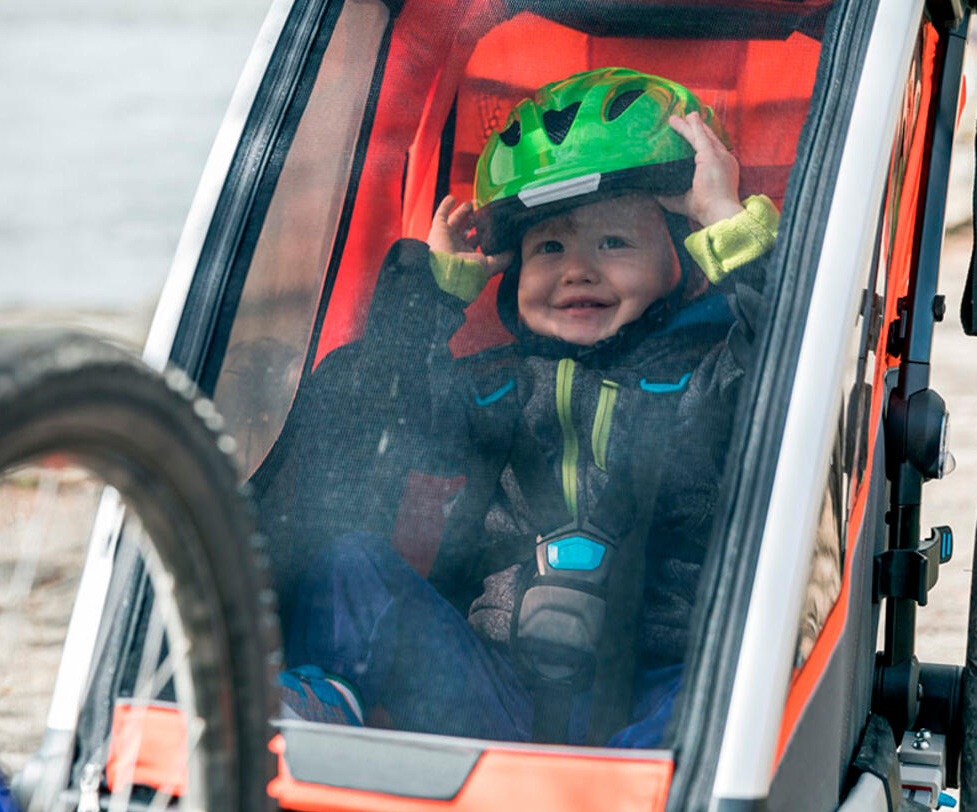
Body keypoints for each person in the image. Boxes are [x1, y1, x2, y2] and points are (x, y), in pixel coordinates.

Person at [274, 68, 779, 746]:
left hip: (657, 686)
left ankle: (644, 790)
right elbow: (372, 414)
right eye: (550, 247)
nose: (578, 270)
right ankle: (324, 711)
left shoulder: (712, 372)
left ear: (681, 260)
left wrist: (722, 216)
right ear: (512, 272)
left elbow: (786, 348)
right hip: (493, 688)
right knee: (351, 565)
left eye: (615, 242)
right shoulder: (493, 385)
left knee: (739, 674)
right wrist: (433, 299)